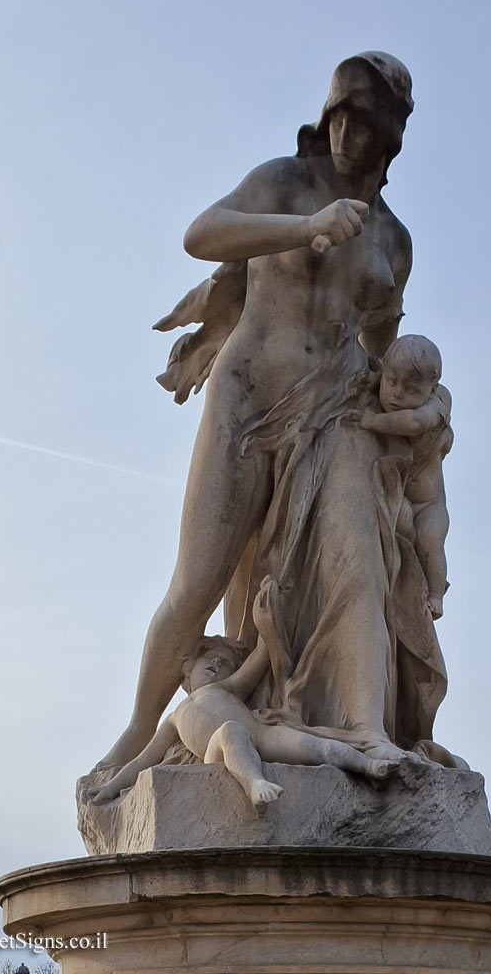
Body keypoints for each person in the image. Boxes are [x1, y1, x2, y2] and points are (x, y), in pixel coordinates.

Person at [97, 52, 449, 773]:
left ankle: (339, 723)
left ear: (389, 137)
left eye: (365, 122)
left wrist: (429, 412)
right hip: (250, 396)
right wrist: (304, 227)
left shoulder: (395, 241)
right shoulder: (287, 184)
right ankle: (137, 733)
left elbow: (380, 352)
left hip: (333, 412)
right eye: (340, 116)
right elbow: (202, 234)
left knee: (340, 573)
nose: (349, 132)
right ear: (327, 118)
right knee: (197, 581)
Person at [89, 631, 399, 810]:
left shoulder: (227, 688)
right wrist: (113, 787)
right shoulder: (173, 718)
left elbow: (258, 660)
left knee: (316, 745)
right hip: (216, 753)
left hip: (262, 734)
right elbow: (144, 760)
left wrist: (265, 622)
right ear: (187, 671)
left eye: (224, 663)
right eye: (208, 659)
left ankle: (368, 766)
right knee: (230, 731)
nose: (216, 664)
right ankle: (254, 783)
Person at [354, 335, 453, 619]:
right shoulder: (388, 386)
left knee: (431, 542)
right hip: (402, 500)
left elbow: (415, 423)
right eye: (391, 382)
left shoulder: (438, 403)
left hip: (429, 503)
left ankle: (436, 595)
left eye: (410, 389)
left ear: (431, 389)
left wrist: (372, 422)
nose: (397, 395)